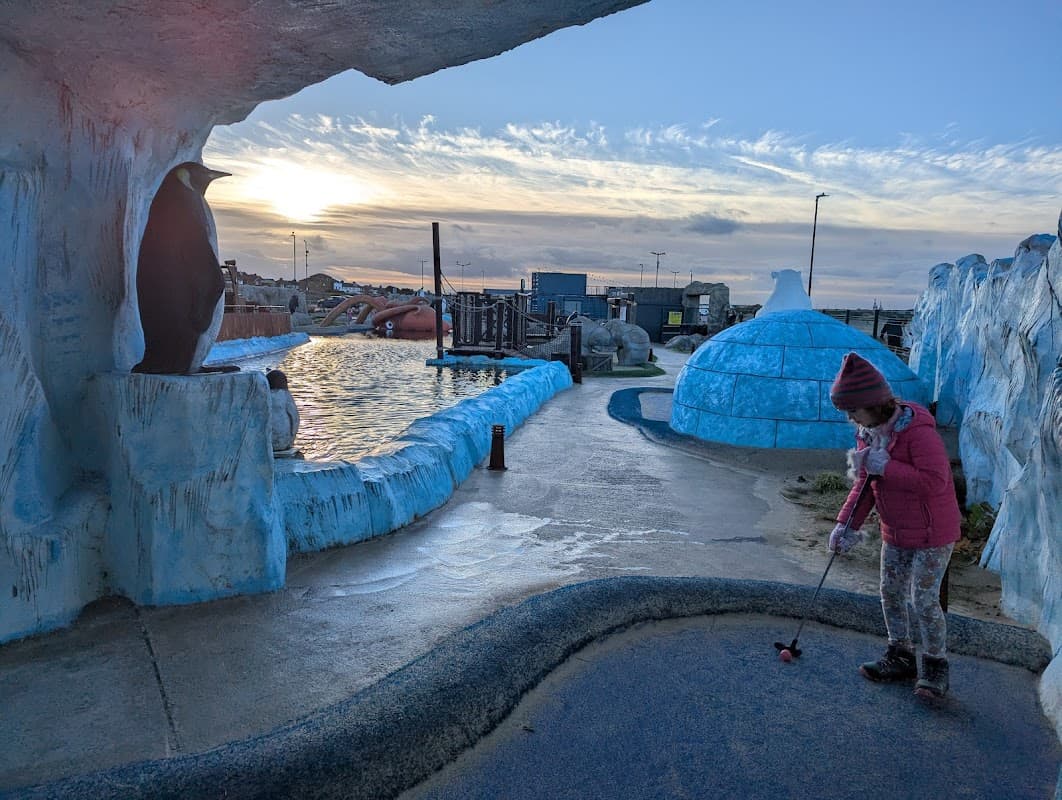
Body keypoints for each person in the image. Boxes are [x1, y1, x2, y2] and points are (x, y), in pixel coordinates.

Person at [827, 352, 961, 699]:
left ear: (875, 403)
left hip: (933, 533)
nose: (849, 417)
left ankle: (935, 666)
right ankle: (900, 655)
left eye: (853, 409)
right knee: (890, 591)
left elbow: (935, 481)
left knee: (924, 599)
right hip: (896, 530)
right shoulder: (868, 435)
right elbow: (865, 486)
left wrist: (888, 468)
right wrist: (846, 526)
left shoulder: (917, 433)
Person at [266, 369, 300, 453]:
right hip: (284, 442)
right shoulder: (285, 396)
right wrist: (291, 439)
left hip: (267, 444)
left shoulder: (264, 397)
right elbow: (295, 418)